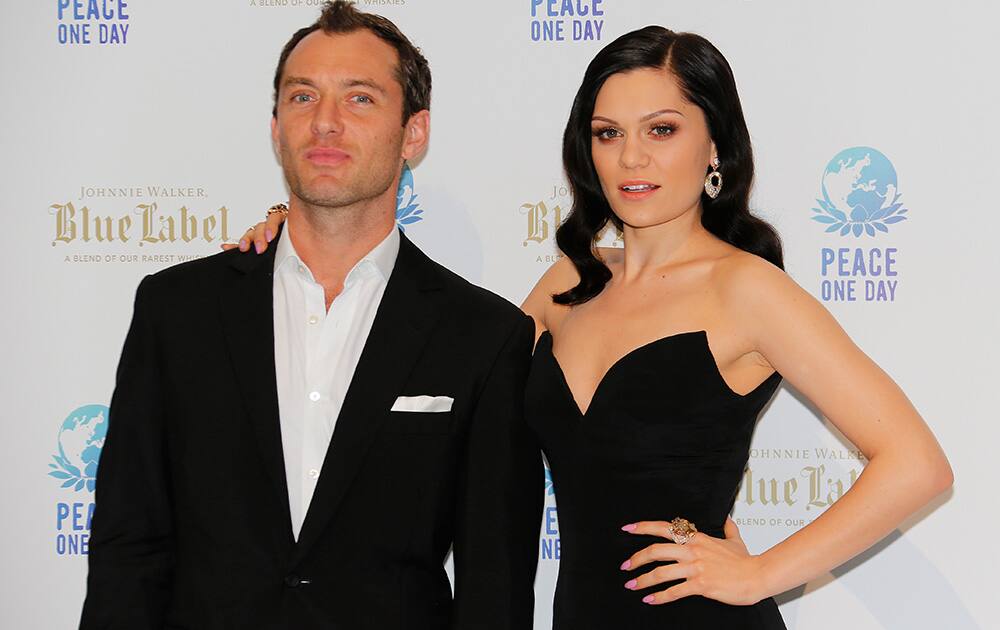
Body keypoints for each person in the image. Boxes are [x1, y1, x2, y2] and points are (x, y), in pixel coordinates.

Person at [240, 24, 952, 630]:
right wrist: (307, 243)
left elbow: (916, 465)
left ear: (716, 148)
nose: (631, 158)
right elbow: (441, 368)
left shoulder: (747, 290)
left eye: (662, 131)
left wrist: (760, 574)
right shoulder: (569, 283)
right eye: (608, 134)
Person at [80, 2, 542, 629]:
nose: (325, 123)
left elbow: (496, 586)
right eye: (302, 97)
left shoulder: (485, 336)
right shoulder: (176, 310)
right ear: (275, 127)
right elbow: (127, 549)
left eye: (360, 99)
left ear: (414, 133)